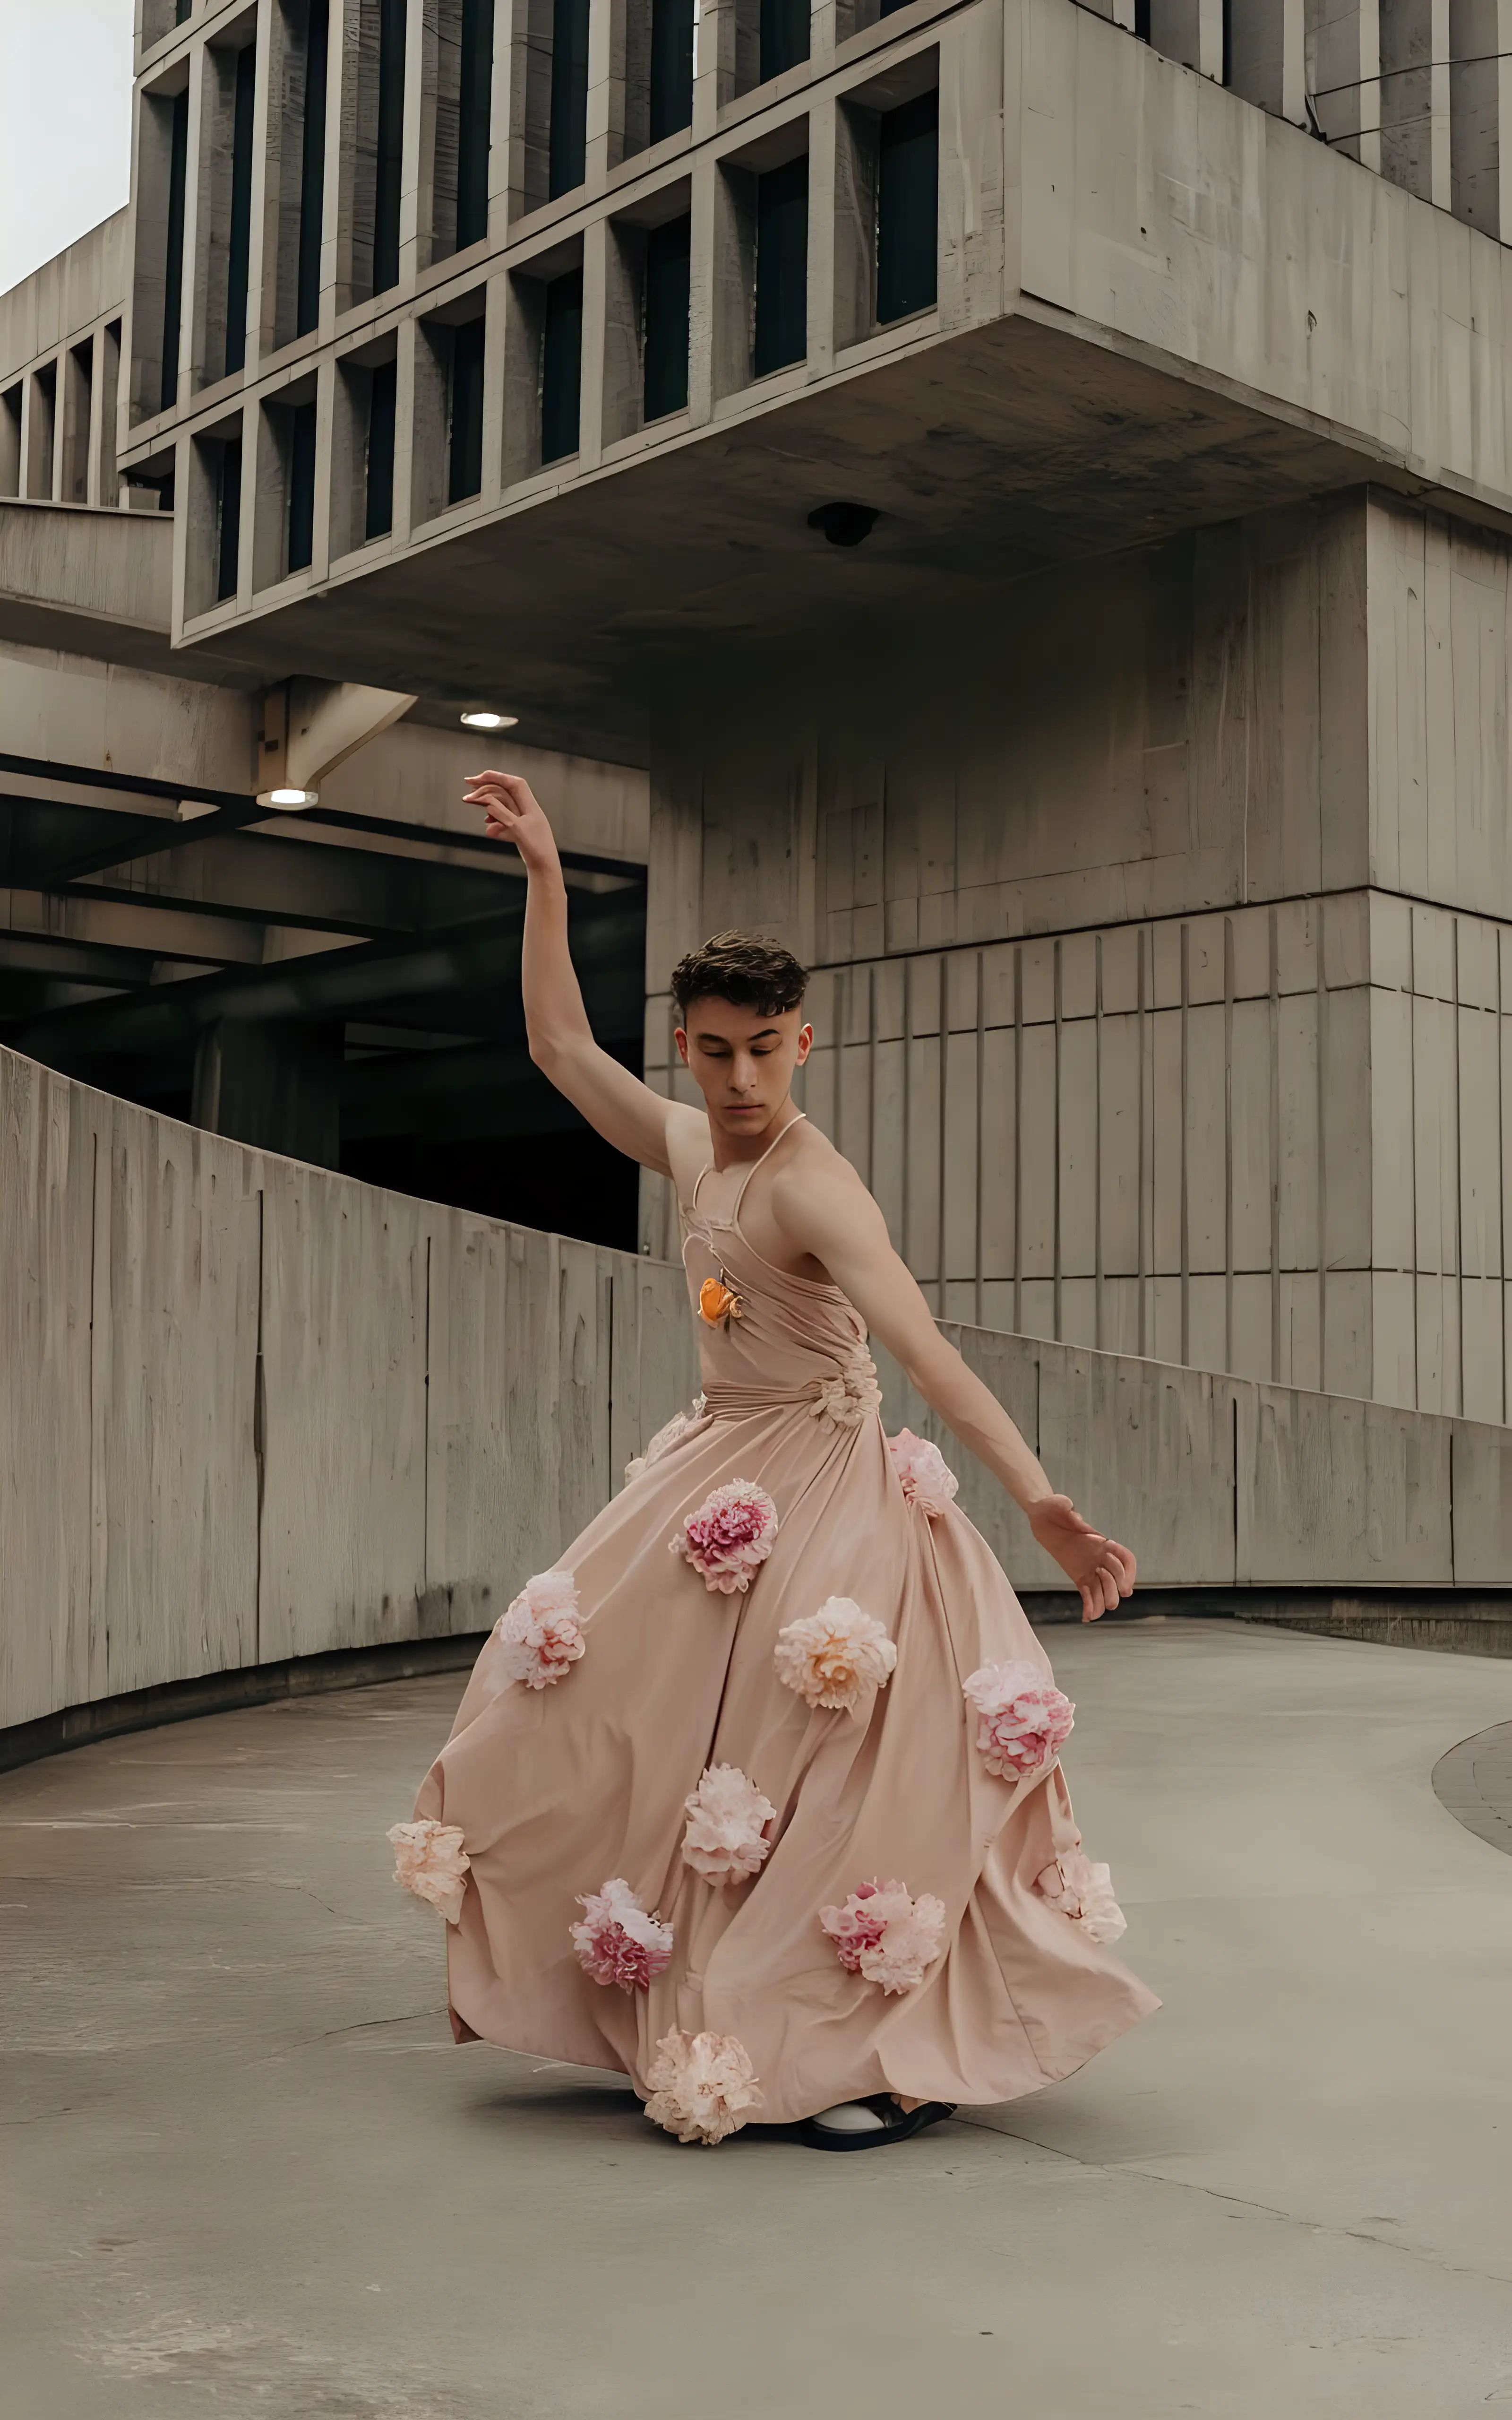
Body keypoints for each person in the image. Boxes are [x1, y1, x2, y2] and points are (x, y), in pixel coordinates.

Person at [387, 770, 1159, 2151]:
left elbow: (925, 1349)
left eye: (765, 1052)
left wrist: (1038, 1497)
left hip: (828, 1481)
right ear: (687, 1045)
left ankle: (859, 2049)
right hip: (717, 1472)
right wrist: (550, 880)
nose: (741, 1081)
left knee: (829, 1765)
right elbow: (564, 1050)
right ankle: (657, 1993)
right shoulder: (697, 1148)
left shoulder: (811, 1181)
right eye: (716, 1052)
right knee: (610, 1714)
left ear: (806, 1040)